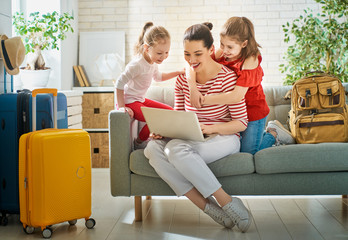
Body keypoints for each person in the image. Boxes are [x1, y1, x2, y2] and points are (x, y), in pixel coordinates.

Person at [144, 23, 252, 232]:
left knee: (175, 149)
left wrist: (208, 128)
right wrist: (164, 130)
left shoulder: (228, 78)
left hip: (223, 137)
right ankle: (208, 208)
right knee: (152, 149)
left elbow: (240, 123)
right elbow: (178, 116)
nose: (191, 60)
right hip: (191, 139)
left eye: (197, 54)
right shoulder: (183, 81)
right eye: (186, 54)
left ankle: (226, 201)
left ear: (211, 50)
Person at [187, 17, 295, 154]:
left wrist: (204, 99)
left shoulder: (251, 59)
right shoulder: (223, 52)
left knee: (249, 153)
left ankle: (273, 134)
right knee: (236, 148)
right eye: (222, 44)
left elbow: (236, 96)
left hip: (252, 113)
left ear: (244, 44)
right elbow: (192, 64)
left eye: (230, 47)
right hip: (234, 113)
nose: (224, 50)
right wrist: (193, 90)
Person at [115, 22, 183, 149]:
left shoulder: (153, 61)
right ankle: (140, 141)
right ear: (147, 48)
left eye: (166, 52)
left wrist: (178, 72)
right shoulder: (137, 65)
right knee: (156, 118)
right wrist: (122, 107)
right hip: (130, 101)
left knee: (171, 112)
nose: (163, 57)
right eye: (159, 53)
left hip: (140, 99)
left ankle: (157, 136)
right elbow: (119, 83)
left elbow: (159, 77)